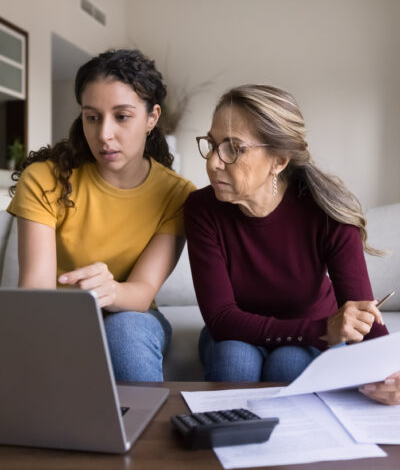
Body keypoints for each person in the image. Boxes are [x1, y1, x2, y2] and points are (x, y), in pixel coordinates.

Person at [184, 84, 400, 405]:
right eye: (213, 145)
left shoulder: (327, 212)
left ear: (279, 160)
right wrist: (321, 330)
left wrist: (391, 372)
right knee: (235, 359)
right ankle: (215, 447)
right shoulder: (201, 208)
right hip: (243, 332)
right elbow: (221, 318)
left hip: (310, 336)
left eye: (233, 148)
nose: (214, 162)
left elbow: (361, 314)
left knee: (289, 362)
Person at [8, 49, 195, 382]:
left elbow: (141, 291)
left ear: (152, 118)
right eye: (92, 117)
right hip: (57, 317)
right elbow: (36, 293)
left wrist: (108, 290)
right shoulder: (44, 179)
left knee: (124, 331)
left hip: (131, 316)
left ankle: (147, 432)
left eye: (122, 116)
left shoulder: (177, 194)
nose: (104, 134)